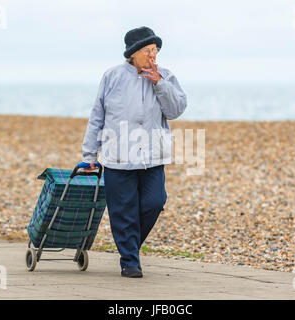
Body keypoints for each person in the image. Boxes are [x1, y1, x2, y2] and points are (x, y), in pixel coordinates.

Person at [81, 26, 187, 278]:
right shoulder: (112, 77)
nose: (153, 56)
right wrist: (89, 156)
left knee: (154, 202)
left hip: (153, 156)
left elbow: (176, 110)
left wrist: (159, 83)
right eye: (148, 51)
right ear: (133, 54)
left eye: (155, 51)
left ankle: (129, 247)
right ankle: (129, 261)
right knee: (122, 209)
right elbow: (97, 117)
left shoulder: (166, 76)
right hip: (118, 156)